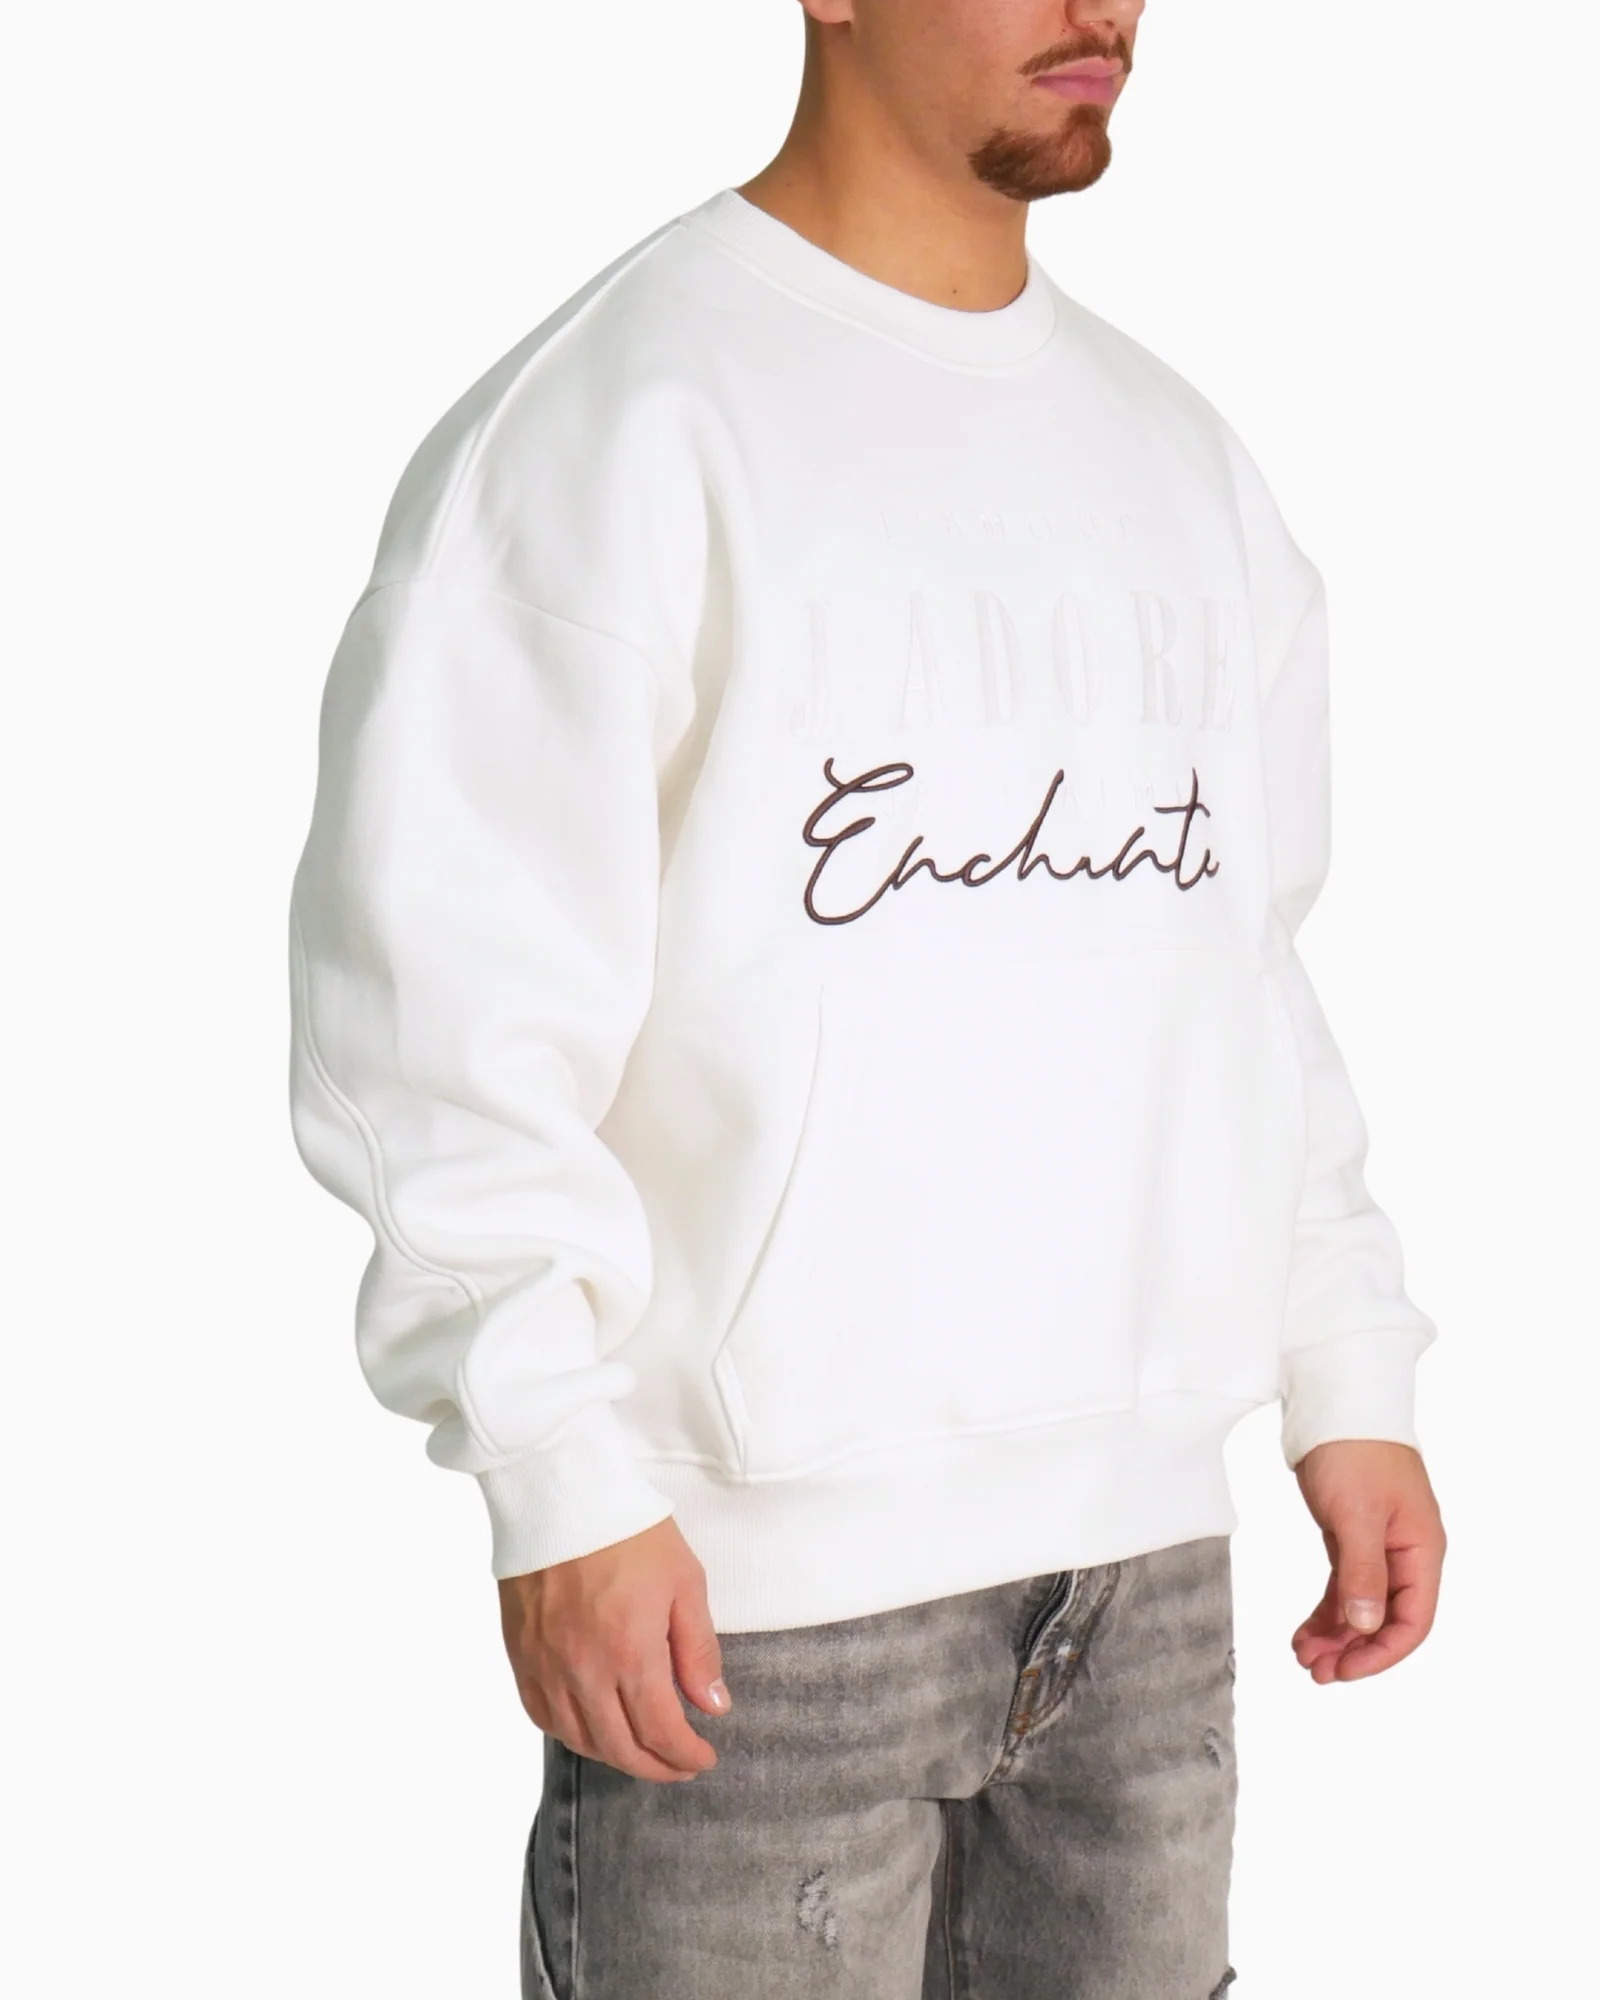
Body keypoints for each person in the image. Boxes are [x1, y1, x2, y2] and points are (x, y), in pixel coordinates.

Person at [287, 2, 1446, 1993]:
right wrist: (554, 1470)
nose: (1101, 6)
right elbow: (436, 1014)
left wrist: (1346, 1367)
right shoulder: (621, 423)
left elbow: (1241, 968)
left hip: (1143, 1589)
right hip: (747, 1613)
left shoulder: (1178, 459)